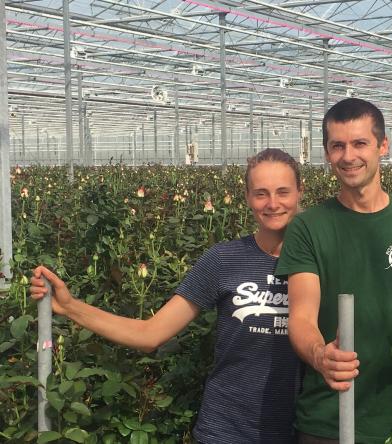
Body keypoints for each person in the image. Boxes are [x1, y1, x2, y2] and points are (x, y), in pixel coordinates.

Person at [30, 148, 304, 444]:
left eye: (283, 192)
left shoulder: (321, 262)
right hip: (226, 431)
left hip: (302, 430)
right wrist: (70, 306)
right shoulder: (225, 260)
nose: (272, 203)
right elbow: (150, 334)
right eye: (261, 193)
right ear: (247, 197)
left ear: (300, 193)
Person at [275, 98, 392, 443]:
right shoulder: (308, 228)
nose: (348, 156)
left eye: (359, 143)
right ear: (327, 153)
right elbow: (302, 317)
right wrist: (321, 355)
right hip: (327, 420)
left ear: (382, 145)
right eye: (337, 146)